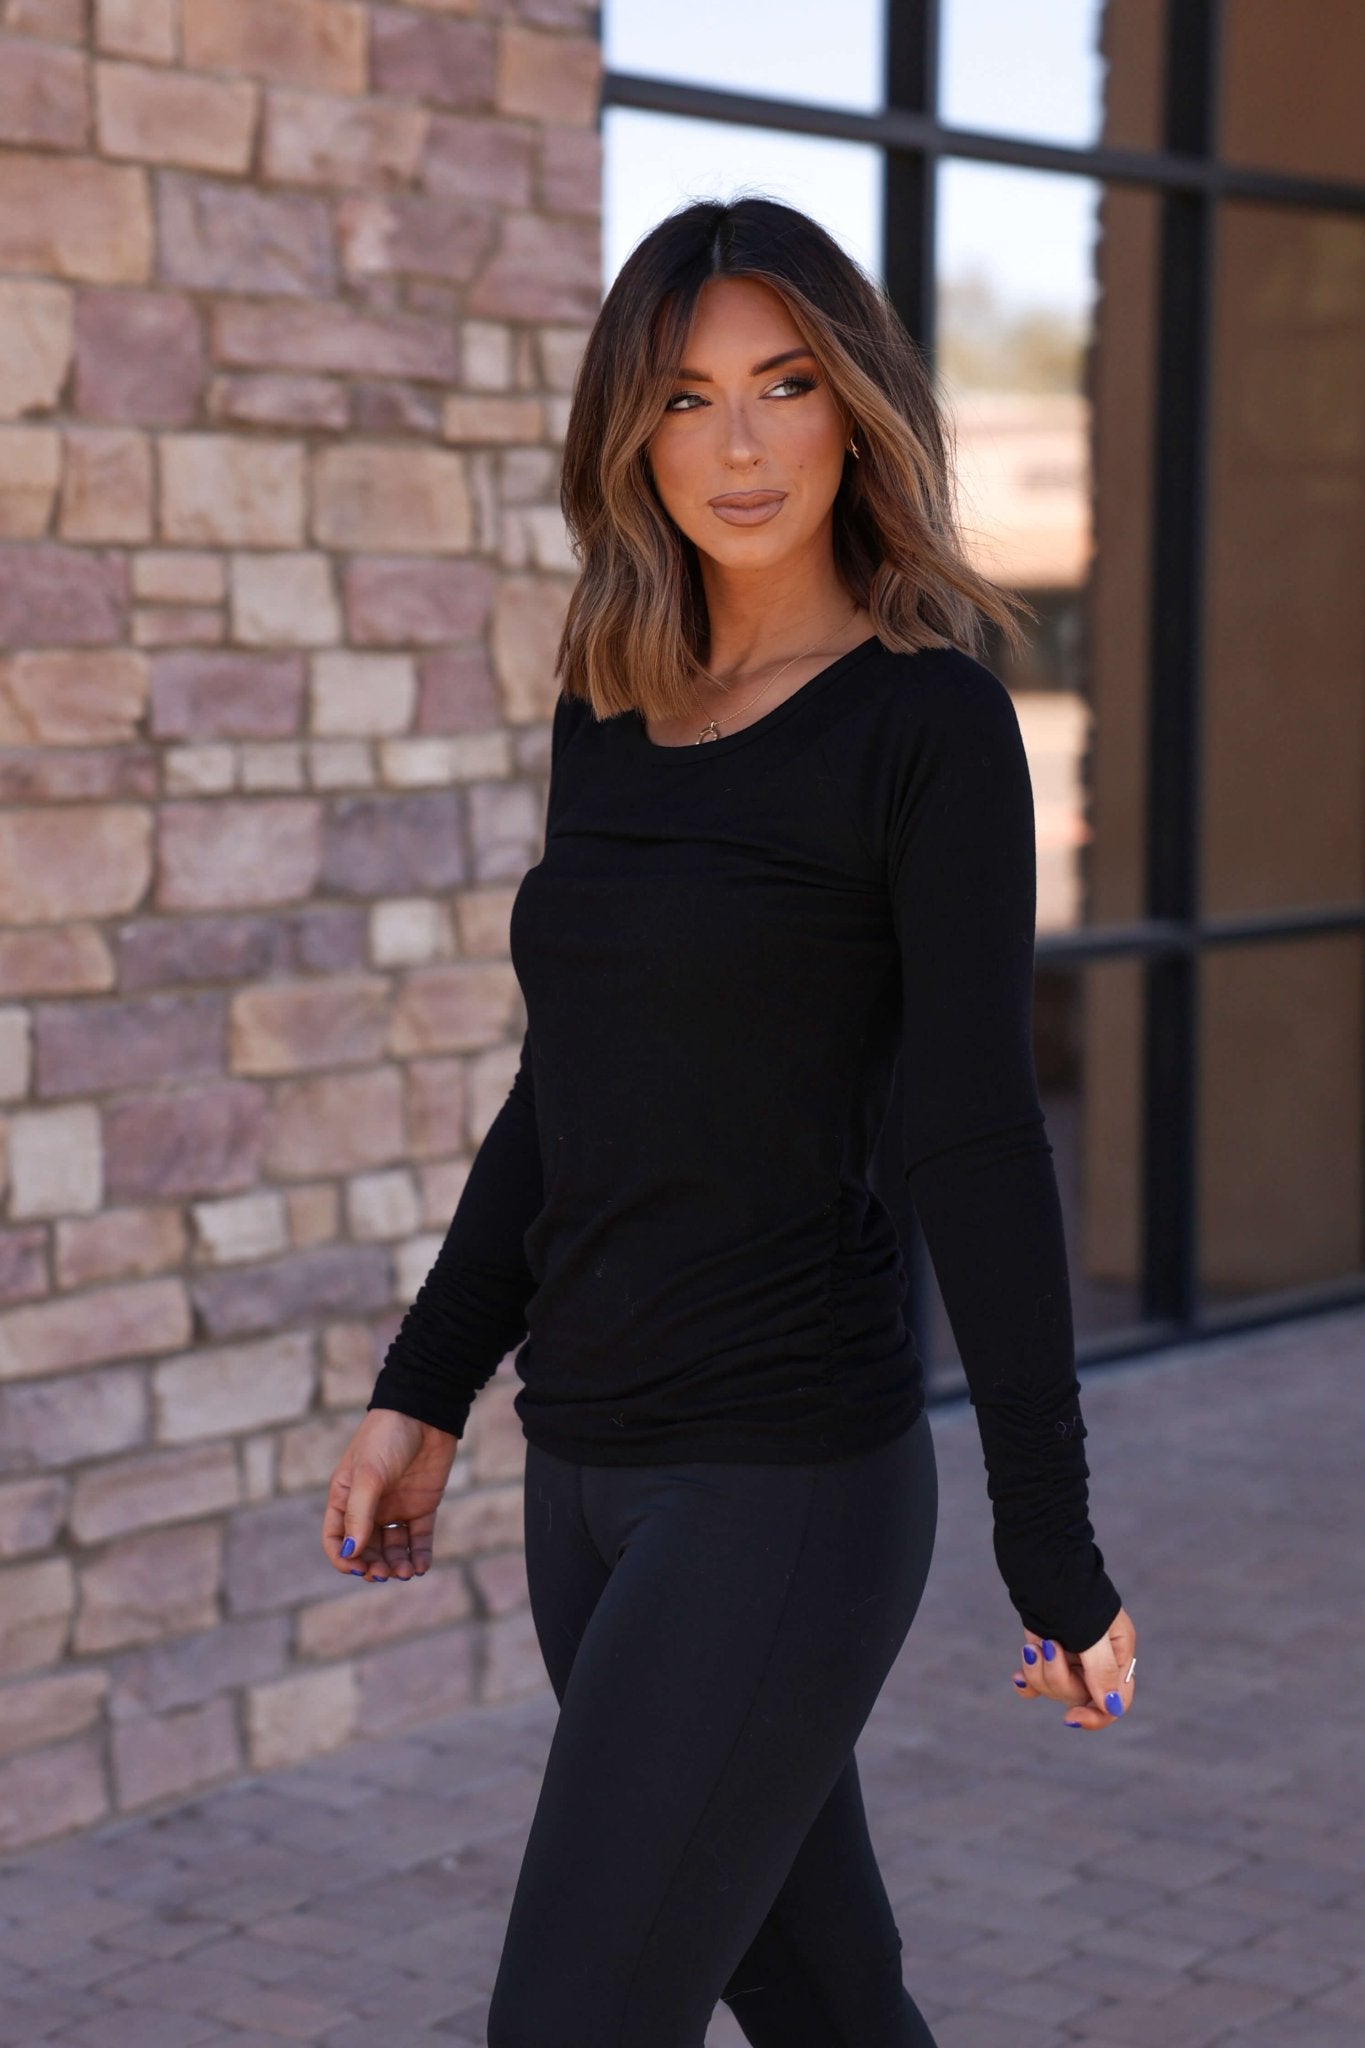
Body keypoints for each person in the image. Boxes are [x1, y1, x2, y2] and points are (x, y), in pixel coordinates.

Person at [320, 195, 1138, 2048]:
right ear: (629, 433)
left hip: (781, 1485)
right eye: (686, 400)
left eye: (783, 384)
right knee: (830, 2003)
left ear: (855, 408)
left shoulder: (926, 725)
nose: (741, 443)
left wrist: (1052, 1546)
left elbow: (976, 1137)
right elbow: (569, 1083)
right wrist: (428, 1381)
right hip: (586, 1475)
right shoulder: (610, 707)